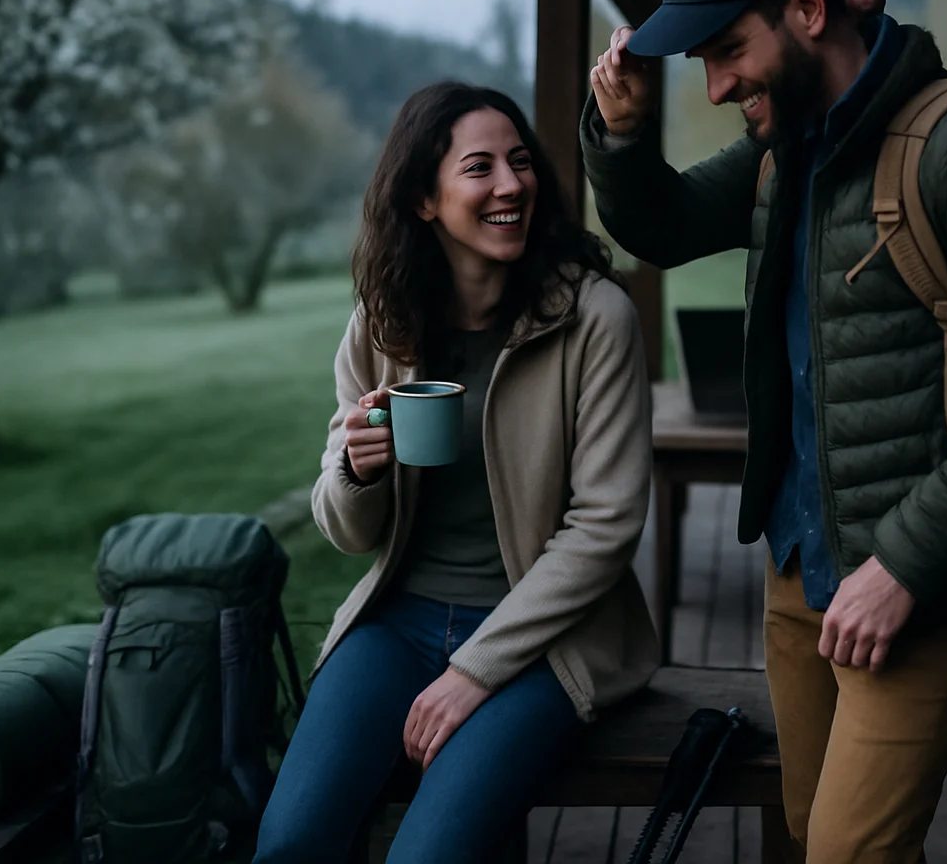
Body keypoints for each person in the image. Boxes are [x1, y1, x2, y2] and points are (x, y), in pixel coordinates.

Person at [581, 0, 947, 862]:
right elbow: (663, 226)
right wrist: (618, 138)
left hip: (923, 581)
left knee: (847, 854)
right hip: (800, 568)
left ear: (809, 9)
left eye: (729, 49)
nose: (715, 85)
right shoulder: (789, 148)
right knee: (802, 832)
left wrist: (904, 562)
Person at [254, 82, 660, 863]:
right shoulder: (381, 325)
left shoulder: (595, 318)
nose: (511, 185)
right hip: (398, 621)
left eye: (519, 162)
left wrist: (474, 669)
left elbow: (605, 525)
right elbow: (346, 532)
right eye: (480, 168)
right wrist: (355, 472)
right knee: (289, 841)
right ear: (424, 200)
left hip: (545, 637)